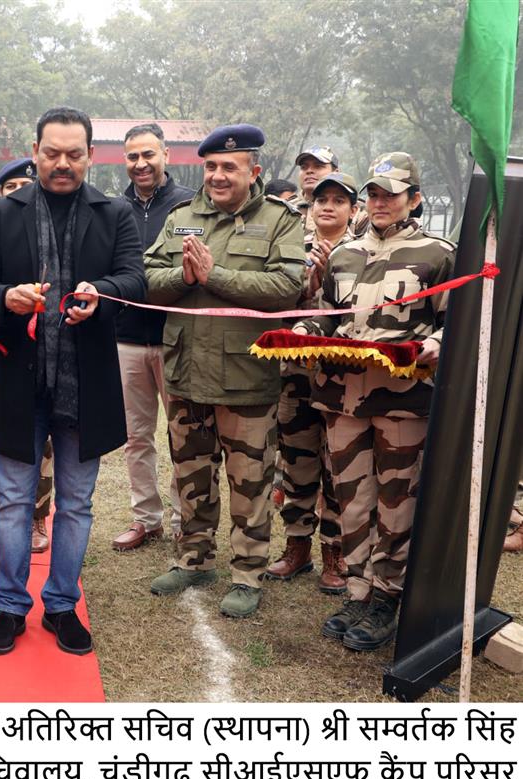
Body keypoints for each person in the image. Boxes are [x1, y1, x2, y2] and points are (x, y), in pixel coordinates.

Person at [0, 106, 145, 656]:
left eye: (73, 154)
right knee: (14, 502)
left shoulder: (114, 213)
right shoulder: (4, 212)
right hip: (21, 380)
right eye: (51, 153)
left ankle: (62, 604)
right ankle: (9, 606)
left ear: (91, 156)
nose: (62, 164)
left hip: (85, 382)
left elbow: (134, 279)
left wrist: (102, 292)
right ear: (35, 152)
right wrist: (6, 297)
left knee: (77, 503)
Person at [294, 152, 455, 651]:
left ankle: (388, 594)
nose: (380, 202)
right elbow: (329, 315)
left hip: (402, 401)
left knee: (396, 500)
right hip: (343, 398)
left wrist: (438, 341)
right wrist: (305, 330)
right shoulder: (345, 253)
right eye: (374, 194)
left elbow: (457, 321)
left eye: (391, 194)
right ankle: (359, 590)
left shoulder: (438, 254)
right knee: (352, 498)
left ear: (415, 199)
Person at [145, 123, 304, 619]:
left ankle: (247, 573)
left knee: (249, 483)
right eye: (211, 166)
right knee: (191, 474)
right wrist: (183, 275)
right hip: (186, 371)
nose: (217, 175)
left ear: (253, 171)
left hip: (246, 377)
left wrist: (215, 275)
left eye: (229, 167)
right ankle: (194, 560)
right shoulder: (182, 217)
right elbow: (147, 277)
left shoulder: (279, 219)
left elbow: (287, 287)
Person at [266, 172, 358, 594]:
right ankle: (297, 546)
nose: (328, 207)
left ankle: (335, 551)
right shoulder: (292, 246)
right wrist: (311, 285)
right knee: (297, 460)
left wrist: (331, 280)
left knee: (337, 465)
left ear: (353, 210)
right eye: (322, 200)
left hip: (342, 377)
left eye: (339, 200)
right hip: (295, 376)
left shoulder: (363, 250)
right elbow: (274, 301)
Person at [112, 123, 194, 552]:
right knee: (136, 437)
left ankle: (186, 520)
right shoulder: (112, 209)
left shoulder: (191, 206)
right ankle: (146, 519)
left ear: (166, 155)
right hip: (126, 339)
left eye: (148, 154)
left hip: (176, 339)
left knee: (183, 435)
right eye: (133, 156)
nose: (141, 164)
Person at [0, 157, 53, 554]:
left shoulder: (52, 232)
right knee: (0, 438)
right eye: (11, 188)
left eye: (26, 185)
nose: (20, 193)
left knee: (45, 442)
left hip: (46, 354)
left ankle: (37, 516)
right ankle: (4, 510)